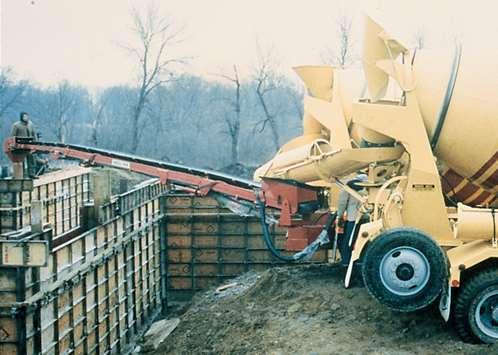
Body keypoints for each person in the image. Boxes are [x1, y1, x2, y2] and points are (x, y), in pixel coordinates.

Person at [336, 173, 367, 266]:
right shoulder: (370, 184)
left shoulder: (349, 185)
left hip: (353, 218)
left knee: (348, 239)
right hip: (368, 217)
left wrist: (340, 215)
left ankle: (346, 261)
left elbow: (342, 202)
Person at [10, 112, 38, 178]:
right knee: (21, 161)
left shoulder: (31, 124)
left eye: (26, 116)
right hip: (20, 146)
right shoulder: (16, 125)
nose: (26, 118)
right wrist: (12, 145)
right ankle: (22, 175)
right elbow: (12, 136)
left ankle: (32, 174)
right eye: (24, 116)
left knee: (31, 160)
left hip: (30, 145)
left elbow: (34, 134)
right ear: (21, 117)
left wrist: (36, 144)